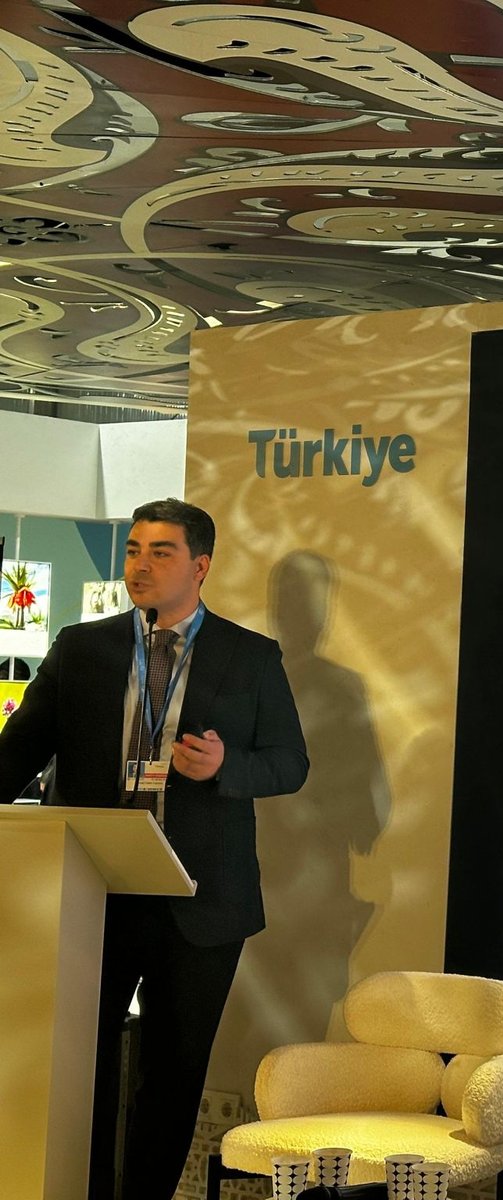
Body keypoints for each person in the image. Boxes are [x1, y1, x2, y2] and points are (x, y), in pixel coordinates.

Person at [0, 498, 309, 1200]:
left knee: (172, 1075)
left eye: (160, 552)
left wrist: (226, 766)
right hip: (91, 893)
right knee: (80, 1068)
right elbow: (17, 752)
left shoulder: (250, 657)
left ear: (200, 567)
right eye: (134, 549)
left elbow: (291, 764)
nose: (139, 565)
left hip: (201, 902)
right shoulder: (82, 649)